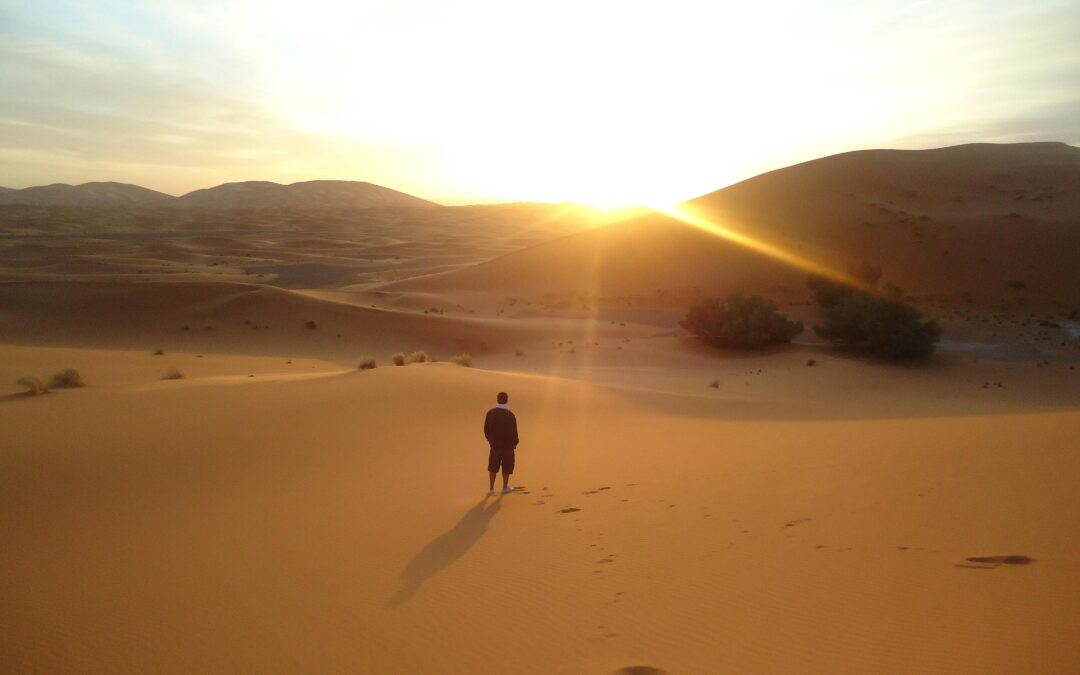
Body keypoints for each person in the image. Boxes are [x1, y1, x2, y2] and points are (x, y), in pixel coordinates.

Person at [484, 391, 519, 496]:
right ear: (507, 400)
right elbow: (514, 432)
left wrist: (491, 442)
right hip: (508, 447)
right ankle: (505, 487)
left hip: (495, 446)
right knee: (507, 467)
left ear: (497, 399)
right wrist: (515, 443)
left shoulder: (490, 413)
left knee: (493, 467)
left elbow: (486, 430)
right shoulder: (510, 415)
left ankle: (491, 489)